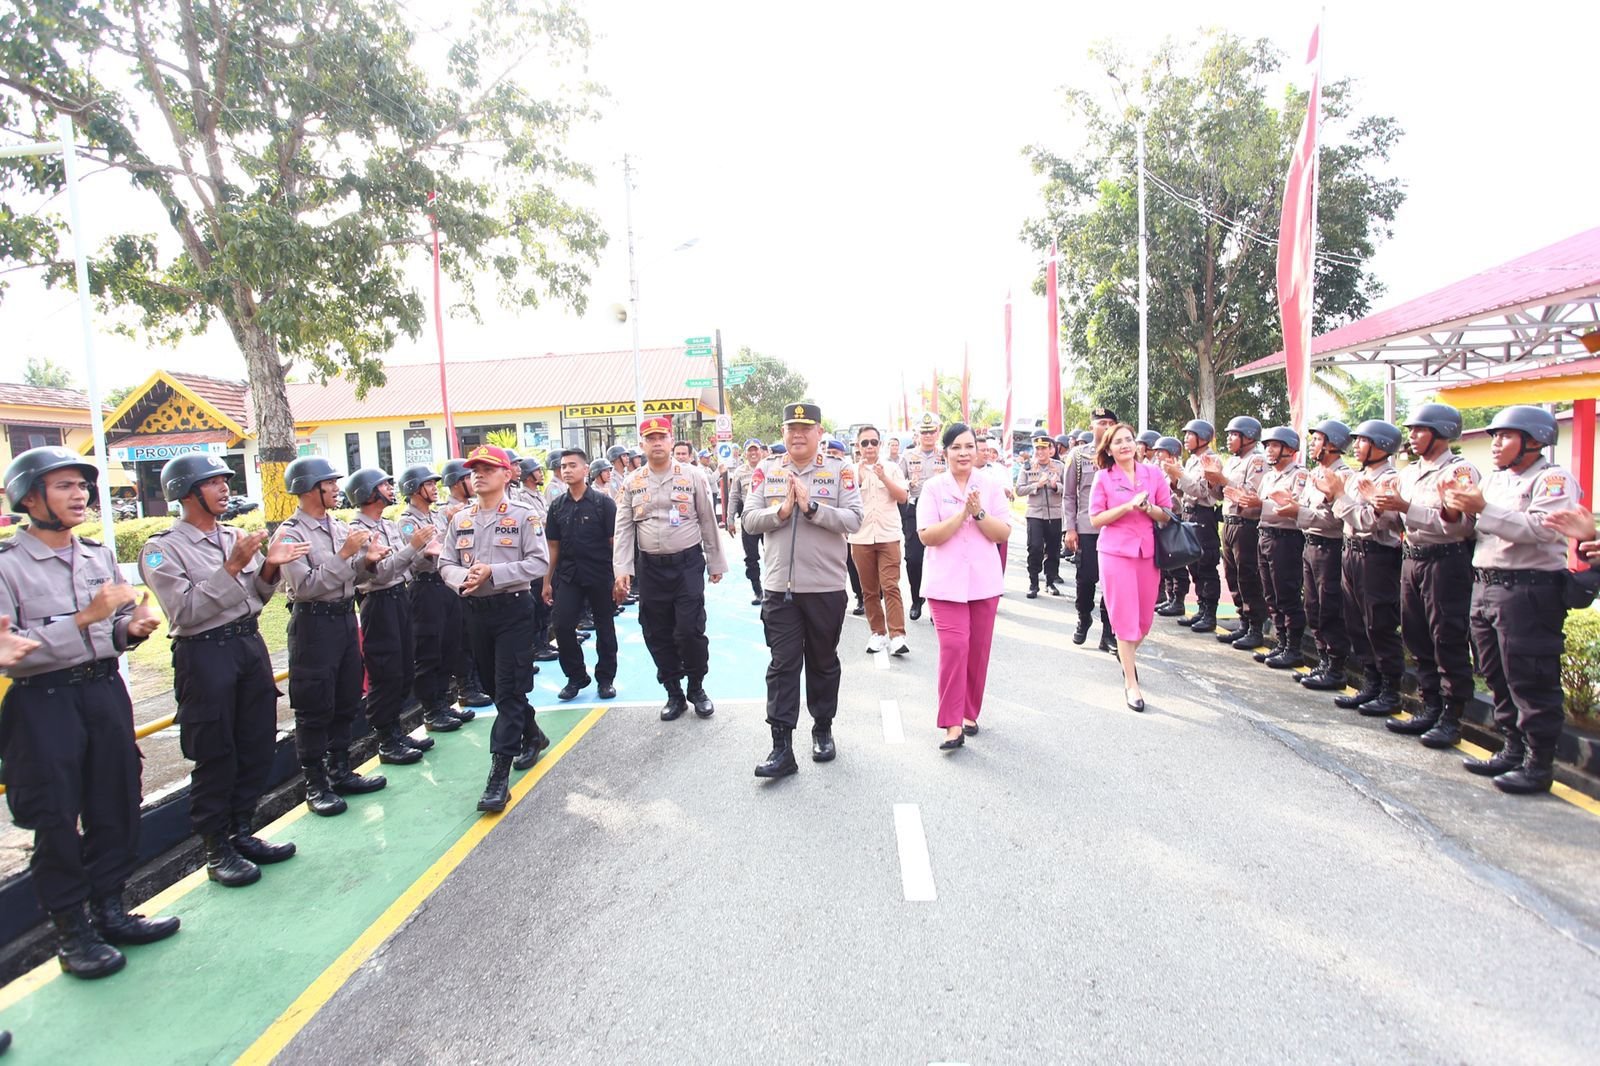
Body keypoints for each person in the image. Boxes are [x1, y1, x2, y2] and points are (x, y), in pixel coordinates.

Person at [0, 446, 176, 978]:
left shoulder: (96, 554)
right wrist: (84, 618)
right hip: (44, 702)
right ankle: (72, 932)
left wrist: (130, 627)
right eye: (64, 487)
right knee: (56, 817)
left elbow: (115, 625)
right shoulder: (8, 566)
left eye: (82, 486)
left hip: (102, 691)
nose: (79, 496)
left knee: (117, 799)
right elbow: (12, 651)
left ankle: (111, 908)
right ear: (31, 498)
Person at [140, 454, 307, 888]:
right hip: (205, 654)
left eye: (224, 481)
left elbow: (256, 597)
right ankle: (216, 849)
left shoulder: (234, 535)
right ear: (186, 491)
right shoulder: (162, 549)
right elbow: (185, 611)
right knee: (216, 752)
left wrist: (269, 566)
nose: (223, 488)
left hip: (248, 645)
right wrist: (231, 565)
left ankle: (241, 831)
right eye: (212, 482)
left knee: (255, 744)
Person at [1443, 406, 1578, 794]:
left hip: (1528, 588)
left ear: (1533, 441)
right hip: (1487, 584)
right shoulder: (1497, 481)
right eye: (1495, 437)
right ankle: (1511, 747)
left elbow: (1540, 529)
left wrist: (1482, 509)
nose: (1497, 444)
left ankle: (1538, 764)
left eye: (1506, 436)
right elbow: (1472, 527)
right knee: (1496, 672)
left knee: (1530, 677)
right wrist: (1454, 510)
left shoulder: (1551, 480)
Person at [745, 402, 864, 776]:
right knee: (782, 665)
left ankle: (822, 727)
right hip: (779, 588)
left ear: (819, 432)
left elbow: (855, 519)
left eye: (805, 428)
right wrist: (779, 514)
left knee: (822, 661)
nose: (797, 434)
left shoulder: (839, 470)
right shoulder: (767, 470)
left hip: (825, 586)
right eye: (791, 428)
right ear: (783, 433)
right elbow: (749, 519)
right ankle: (782, 747)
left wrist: (812, 508)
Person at [439, 445, 550, 812]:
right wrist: (462, 579)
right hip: (475, 612)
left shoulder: (523, 516)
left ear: (507, 474)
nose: (478, 474)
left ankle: (499, 775)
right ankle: (532, 734)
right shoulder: (461, 519)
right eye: (474, 469)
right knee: (497, 688)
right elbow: (445, 562)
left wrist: (495, 574)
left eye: (488, 468)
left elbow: (538, 562)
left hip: (513, 611)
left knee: (508, 688)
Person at [278, 456, 389, 814]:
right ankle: (315, 783)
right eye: (330, 483)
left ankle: (341, 769)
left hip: (343, 618)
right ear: (312, 488)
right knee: (314, 705)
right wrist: (346, 556)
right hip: (313, 624)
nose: (337, 489)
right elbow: (307, 586)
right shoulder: (291, 534)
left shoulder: (337, 527)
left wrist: (367, 561)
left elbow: (353, 577)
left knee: (345, 697)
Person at [613, 416, 728, 721]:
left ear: (670, 439)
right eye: (650, 438)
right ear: (642, 444)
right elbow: (624, 529)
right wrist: (622, 570)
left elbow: (707, 519)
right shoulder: (631, 482)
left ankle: (697, 686)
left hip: (687, 565)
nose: (657, 443)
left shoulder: (692, 476)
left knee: (689, 629)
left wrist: (715, 562)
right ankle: (674, 692)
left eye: (661, 436)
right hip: (650, 568)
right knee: (656, 631)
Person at [1380, 404, 1479, 745]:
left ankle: (1452, 717)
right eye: (1411, 429)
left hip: (1445, 561)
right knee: (1417, 636)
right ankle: (1430, 706)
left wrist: (1406, 508)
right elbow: (1399, 521)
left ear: (1442, 433)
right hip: (1413, 559)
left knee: (1447, 638)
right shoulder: (1409, 473)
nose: (1412, 436)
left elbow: (1460, 528)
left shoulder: (1459, 472)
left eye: (1420, 430)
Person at [915, 422, 1012, 748]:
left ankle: (970, 712)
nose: (963, 453)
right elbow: (928, 536)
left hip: (984, 583)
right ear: (945, 452)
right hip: (945, 584)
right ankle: (951, 724)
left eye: (969, 446)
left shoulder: (990, 485)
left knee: (978, 650)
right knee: (955, 648)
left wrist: (979, 512)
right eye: (956, 447)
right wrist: (961, 516)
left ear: (978, 450)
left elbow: (1003, 533)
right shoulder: (933, 488)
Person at [346, 468, 436, 767]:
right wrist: (413, 548)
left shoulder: (387, 525)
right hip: (378, 602)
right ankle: (386, 739)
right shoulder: (359, 531)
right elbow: (382, 572)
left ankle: (397, 731)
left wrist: (416, 554)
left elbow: (405, 568)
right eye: (383, 485)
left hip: (399, 597)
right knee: (385, 671)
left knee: (403, 669)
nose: (389, 488)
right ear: (368, 492)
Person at [1090, 424, 1173, 711]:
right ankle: (1131, 682)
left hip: (1147, 553)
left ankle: (1125, 655)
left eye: (1129, 440)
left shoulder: (1153, 474)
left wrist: (1147, 508)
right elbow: (1096, 519)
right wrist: (1127, 507)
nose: (1125, 445)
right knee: (1124, 618)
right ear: (1109, 450)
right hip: (1115, 553)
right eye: (1118, 442)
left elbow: (1167, 512)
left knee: (1144, 622)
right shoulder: (1103, 478)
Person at [1326, 420, 1406, 717]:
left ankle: (1390, 690)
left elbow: (1368, 522)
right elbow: (1346, 518)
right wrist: (1339, 498)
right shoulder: (1355, 478)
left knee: (1379, 623)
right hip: (1352, 553)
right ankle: (1370, 682)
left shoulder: (1390, 480)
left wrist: (1339, 497)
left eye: (1362, 440)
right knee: (1356, 622)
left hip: (1377, 557)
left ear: (1381, 446)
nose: (1356, 445)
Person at [399, 464, 472, 732]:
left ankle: (444, 703)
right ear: (414, 489)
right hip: (425, 587)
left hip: (445, 583)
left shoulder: (438, 516)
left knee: (449, 646)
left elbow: (449, 544)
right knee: (428, 650)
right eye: (428, 484)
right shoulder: (408, 522)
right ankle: (431, 709)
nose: (433, 488)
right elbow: (422, 555)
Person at [542, 448, 619, 701]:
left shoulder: (603, 503)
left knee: (605, 627)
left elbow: (613, 542)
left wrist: (620, 577)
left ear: (585, 470)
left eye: (572, 465)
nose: (567, 470)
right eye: (563, 466)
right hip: (568, 576)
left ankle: (605, 678)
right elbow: (553, 546)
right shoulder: (557, 506)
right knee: (563, 625)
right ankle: (576, 676)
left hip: (599, 574)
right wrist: (546, 581)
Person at [848, 424, 910, 654]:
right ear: (858, 446)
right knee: (869, 590)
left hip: (888, 535)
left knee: (891, 586)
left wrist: (883, 477)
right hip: (861, 537)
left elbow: (903, 497)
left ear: (880, 444)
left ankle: (897, 635)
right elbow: (844, 500)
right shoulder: (850, 470)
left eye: (874, 442)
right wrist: (861, 478)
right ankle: (878, 633)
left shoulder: (892, 468)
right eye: (865, 443)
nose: (870, 447)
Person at [1251, 427, 1308, 668]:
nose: (1269, 451)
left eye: (1275, 445)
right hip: (1265, 535)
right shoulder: (1269, 476)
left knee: (1287, 594)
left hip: (1286, 538)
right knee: (1270, 594)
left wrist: (1259, 505)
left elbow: (1295, 508)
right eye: (1267, 446)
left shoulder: (1300, 475)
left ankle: (1293, 647)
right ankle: (1281, 643)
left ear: (1290, 449)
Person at [1064, 407, 1119, 650]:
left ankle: (1108, 631)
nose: (1106, 427)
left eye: (1110, 423)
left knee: (1112, 583)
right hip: (1087, 528)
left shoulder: (1122, 453)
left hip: (1116, 528)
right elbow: (1068, 496)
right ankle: (1084, 617)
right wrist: (1070, 528)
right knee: (1086, 580)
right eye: (1101, 422)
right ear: (1092, 427)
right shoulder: (1078, 456)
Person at [1212, 416, 1269, 649]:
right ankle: (1243, 622)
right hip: (1230, 521)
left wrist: (1223, 480)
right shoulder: (1234, 461)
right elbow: (1219, 495)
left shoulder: (1256, 461)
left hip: (1246, 525)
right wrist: (1214, 481)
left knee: (1247, 576)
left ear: (1248, 437)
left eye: (1234, 434)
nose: (1229, 439)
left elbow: (1250, 495)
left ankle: (1255, 626)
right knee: (1232, 574)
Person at [440, 458, 491, 710]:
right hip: (454, 581)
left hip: (478, 578)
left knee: (473, 635)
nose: (474, 480)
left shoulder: (476, 508)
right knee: (459, 638)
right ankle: (465, 687)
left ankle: (477, 682)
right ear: (458, 483)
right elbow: (444, 553)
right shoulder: (446, 512)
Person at [1164, 419, 1224, 633]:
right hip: (1189, 513)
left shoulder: (1211, 461)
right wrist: (1174, 480)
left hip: (1203, 515)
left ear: (1202, 437)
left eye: (1190, 434)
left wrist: (1179, 476)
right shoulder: (1192, 461)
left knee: (1206, 564)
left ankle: (1210, 613)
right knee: (1194, 565)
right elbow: (1184, 491)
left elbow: (1201, 491)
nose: (1186, 438)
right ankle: (1201, 608)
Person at [899, 413, 947, 621]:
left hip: (942, 510)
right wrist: (908, 484)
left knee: (940, 558)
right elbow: (898, 481)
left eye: (932, 431)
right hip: (916, 508)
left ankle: (937, 603)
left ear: (938, 432)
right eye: (924, 431)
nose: (928, 435)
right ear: (917, 434)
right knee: (914, 559)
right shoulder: (908, 457)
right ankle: (917, 599)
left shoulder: (945, 455)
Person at [1018, 431, 1065, 598]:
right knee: (1035, 547)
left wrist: (1055, 486)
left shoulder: (1059, 466)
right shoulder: (1027, 467)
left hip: (1054, 513)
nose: (1040, 452)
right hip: (1035, 513)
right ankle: (1033, 582)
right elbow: (1019, 490)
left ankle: (1050, 581)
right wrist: (1036, 485)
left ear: (1050, 449)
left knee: (1053, 549)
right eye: (1037, 449)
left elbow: (1068, 489)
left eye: (1044, 448)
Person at [1151, 436, 1190, 618]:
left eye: (1161, 451)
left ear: (1172, 453)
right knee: (1167, 563)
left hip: (1175, 518)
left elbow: (1179, 496)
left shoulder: (1177, 471)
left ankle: (1179, 599)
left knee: (1177, 563)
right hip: (1162, 519)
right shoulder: (1160, 471)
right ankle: (1171, 596)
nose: (1157, 455)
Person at [827, 437, 866, 614]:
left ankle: (864, 596)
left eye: (834, 453)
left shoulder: (849, 471)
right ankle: (853, 595)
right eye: (828, 453)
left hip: (853, 527)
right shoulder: (823, 471)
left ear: (842, 454)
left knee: (855, 565)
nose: (831, 456)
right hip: (831, 527)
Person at [727, 438, 767, 605]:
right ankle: (758, 591)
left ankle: (774, 589)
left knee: (774, 555)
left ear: (761, 451)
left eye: (756, 450)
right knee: (751, 558)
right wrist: (729, 519)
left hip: (768, 517)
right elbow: (734, 496)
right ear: (745, 453)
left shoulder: (769, 468)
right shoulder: (740, 472)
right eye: (750, 450)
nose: (753, 453)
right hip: (748, 519)